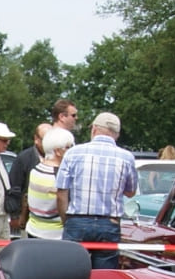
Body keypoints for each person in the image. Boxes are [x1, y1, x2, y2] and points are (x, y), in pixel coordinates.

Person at [55, 111, 137, 269]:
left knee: (70, 276)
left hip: (77, 220)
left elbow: (61, 193)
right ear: (117, 135)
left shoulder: (73, 153)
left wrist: (67, 220)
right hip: (109, 222)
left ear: (93, 129)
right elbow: (130, 192)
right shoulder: (126, 157)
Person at [25, 127, 74, 239]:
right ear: (57, 151)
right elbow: (62, 201)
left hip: (33, 229)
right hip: (54, 233)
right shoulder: (60, 175)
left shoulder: (35, 169)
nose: (71, 150)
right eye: (68, 147)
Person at [7, 123, 52, 236]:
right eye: (46, 140)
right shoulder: (24, 158)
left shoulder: (57, 158)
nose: (49, 144)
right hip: (29, 218)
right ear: (36, 139)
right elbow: (14, 187)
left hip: (51, 218)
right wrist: (15, 216)